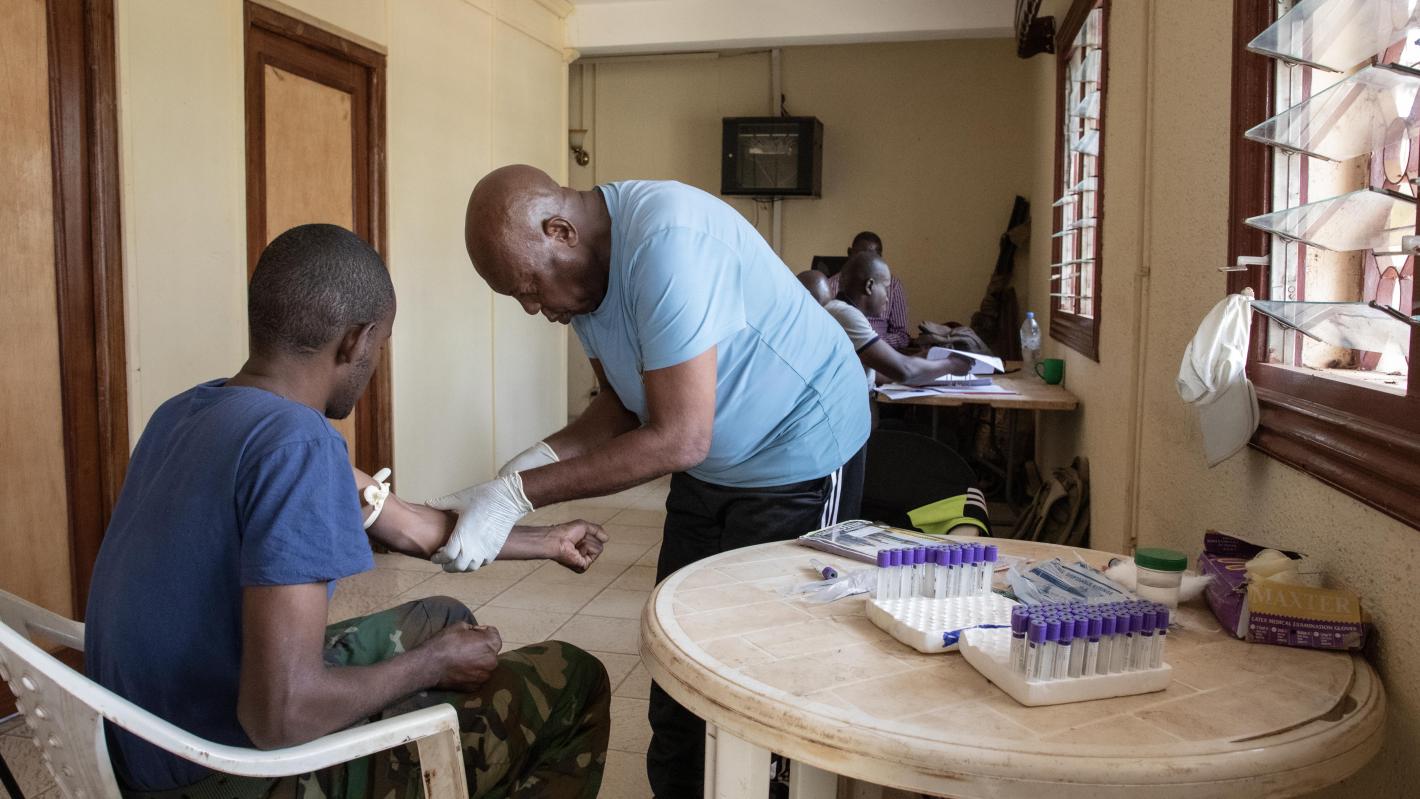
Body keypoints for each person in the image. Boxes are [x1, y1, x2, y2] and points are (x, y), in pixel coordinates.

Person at [85, 224, 612, 799]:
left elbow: (407, 525)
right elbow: (279, 717)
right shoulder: (298, 445)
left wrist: (545, 540)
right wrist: (430, 667)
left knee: (443, 614)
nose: (376, 359)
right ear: (357, 341)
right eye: (382, 345)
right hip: (218, 771)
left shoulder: (191, 410)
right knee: (573, 679)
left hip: (144, 738)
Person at [433, 166, 869, 797]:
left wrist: (518, 497)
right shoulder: (585, 281)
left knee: (762, 674)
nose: (532, 306)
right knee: (679, 660)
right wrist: (518, 470)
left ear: (560, 231)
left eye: (528, 286)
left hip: (797, 453)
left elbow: (678, 436)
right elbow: (620, 409)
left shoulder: (668, 243)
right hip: (708, 464)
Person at [811, 254, 974, 389]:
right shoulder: (845, 314)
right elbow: (904, 371)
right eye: (886, 288)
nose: (888, 298)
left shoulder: (844, 312)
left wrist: (924, 357)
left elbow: (881, 373)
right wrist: (952, 365)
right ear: (869, 286)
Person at [825, 231, 911, 349]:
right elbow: (906, 367)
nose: (886, 298)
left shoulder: (894, 285)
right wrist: (871, 343)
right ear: (869, 286)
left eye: (876, 256)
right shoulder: (839, 303)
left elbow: (902, 336)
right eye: (863, 255)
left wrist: (874, 343)